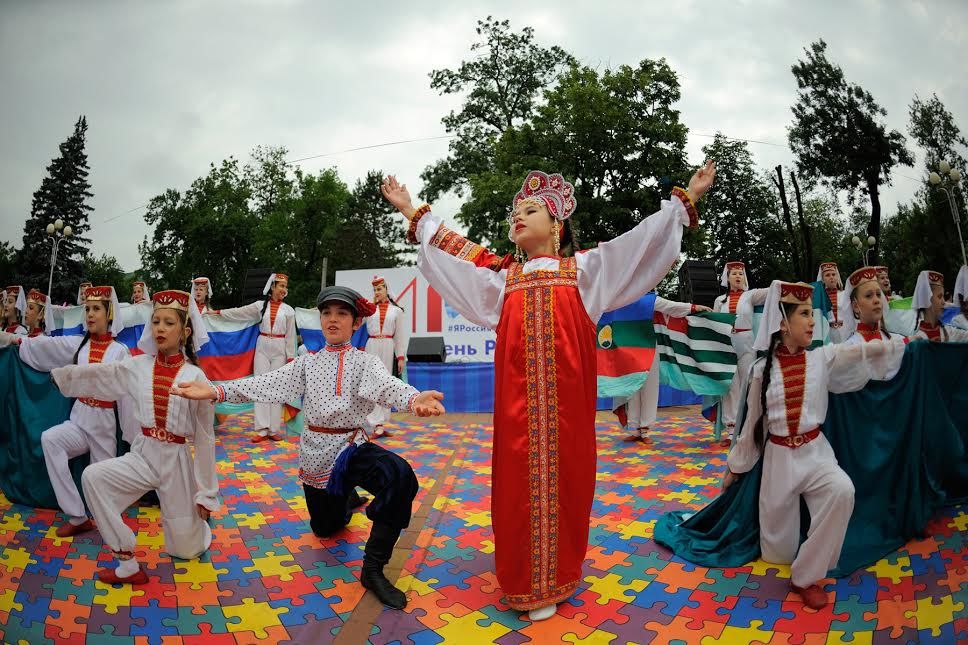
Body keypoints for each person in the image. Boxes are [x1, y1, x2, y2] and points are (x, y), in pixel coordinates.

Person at [381, 162, 715, 620]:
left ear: (556, 225)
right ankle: (523, 577)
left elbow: (637, 244)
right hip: (518, 417)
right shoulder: (501, 281)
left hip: (566, 418)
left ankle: (557, 575)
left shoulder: (585, 273)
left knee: (568, 488)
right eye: (515, 211)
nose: (518, 216)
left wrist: (683, 203)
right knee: (517, 491)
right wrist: (411, 212)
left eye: (531, 209)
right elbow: (457, 253)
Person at [173, 285, 446, 609]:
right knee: (326, 528)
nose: (332, 320)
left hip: (351, 446)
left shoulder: (365, 362)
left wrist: (415, 399)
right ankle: (345, 500)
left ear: (356, 323)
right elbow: (263, 384)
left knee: (399, 474)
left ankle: (372, 569)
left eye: (342, 313)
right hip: (317, 458)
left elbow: (388, 387)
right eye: (327, 313)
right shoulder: (307, 364)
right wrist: (214, 391)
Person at [722, 280, 909, 609]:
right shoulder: (760, 370)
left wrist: (901, 344)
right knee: (775, 550)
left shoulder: (821, 358)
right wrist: (734, 469)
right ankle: (790, 560)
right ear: (783, 324)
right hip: (778, 461)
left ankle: (805, 576)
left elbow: (857, 351)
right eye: (805, 314)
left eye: (813, 314)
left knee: (842, 490)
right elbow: (752, 426)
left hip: (816, 454)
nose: (812, 321)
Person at [50, 290, 218, 584]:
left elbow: (204, 440)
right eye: (156, 322)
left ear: (185, 331)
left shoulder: (196, 377)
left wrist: (205, 494)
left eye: (169, 323)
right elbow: (103, 374)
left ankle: (197, 524)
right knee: (93, 477)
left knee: (186, 550)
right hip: (143, 454)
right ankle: (127, 564)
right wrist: (65, 376)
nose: (160, 329)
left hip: (176, 462)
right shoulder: (137, 366)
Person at [15, 286, 129, 537]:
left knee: (103, 481)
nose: (90, 314)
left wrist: (132, 434)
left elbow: (127, 396)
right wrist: (18, 340)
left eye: (96, 309)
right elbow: (48, 347)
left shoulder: (120, 351)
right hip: (79, 420)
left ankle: (112, 529)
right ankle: (77, 516)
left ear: (109, 314)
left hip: (103, 425)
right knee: (50, 439)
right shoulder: (80, 346)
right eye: (87, 309)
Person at [209, 273, 296, 442]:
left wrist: (291, 357)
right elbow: (240, 313)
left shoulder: (289, 311)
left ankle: (273, 429)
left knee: (276, 388)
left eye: (285, 287)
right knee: (261, 385)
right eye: (281, 286)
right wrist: (219, 313)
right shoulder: (260, 306)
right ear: (272, 287)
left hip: (280, 349)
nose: (284, 290)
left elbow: (291, 335)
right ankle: (262, 429)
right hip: (262, 346)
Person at [621, 295, 710, 444]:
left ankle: (645, 430)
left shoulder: (648, 299)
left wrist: (693, 308)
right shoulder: (624, 297)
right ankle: (634, 429)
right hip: (629, 348)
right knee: (632, 390)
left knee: (649, 388)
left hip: (649, 347)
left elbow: (670, 306)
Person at [364, 276, 409, 437]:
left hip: (388, 346)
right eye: (375, 290)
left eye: (380, 289)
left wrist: (401, 357)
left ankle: (381, 422)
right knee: (373, 382)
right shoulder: (368, 310)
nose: (377, 292)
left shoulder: (396, 311)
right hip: (372, 346)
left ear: (386, 290)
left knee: (385, 382)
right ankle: (375, 422)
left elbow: (400, 336)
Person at [911, 270, 968, 342]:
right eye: (940, 296)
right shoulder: (915, 341)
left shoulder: (950, 332)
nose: (944, 302)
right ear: (927, 299)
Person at [817, 262, 846, 343]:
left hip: (845, 332)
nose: (831, 277)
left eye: (833, 274)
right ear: (822, 279)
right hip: (827, 333)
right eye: (827, 275)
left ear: (837, 276)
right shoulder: (820, 298)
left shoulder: (845, 294)